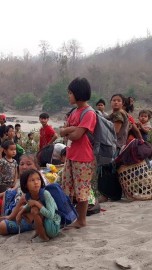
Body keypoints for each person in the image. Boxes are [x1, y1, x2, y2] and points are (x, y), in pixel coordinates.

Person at [59, 77, 97, 229]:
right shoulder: (75, 112)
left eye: (70, 93)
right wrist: (70, 130)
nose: (68, 96)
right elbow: (62, 131)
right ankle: (71, 217)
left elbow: (75, 136)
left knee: (82, 190)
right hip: (71, 155)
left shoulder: (89, 113)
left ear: (78, 93)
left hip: (83, 157)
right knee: (67, 186)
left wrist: (69, 130)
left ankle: (81, 220)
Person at [99, 94, 128, 203]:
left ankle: (106, 195)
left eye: (119, 100)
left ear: (122, 103)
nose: (116, 102)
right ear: (110, 102)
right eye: (114, 100)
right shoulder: (114, 114)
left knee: (107, 169)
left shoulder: (119, 114)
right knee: (111, 170)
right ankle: (114, 194)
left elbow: (115, 131)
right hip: (116, 145)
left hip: (114, 145)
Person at [16, 169, 60, 242]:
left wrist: (37, 204)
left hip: (52, 226)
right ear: (25, 185)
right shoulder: (29, 196)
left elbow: (51, 215)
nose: (36, 182)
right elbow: (27, 205)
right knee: (22, 209)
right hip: (46, 222)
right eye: (32, 180)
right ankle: (38, 231)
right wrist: (19, 214)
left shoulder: (45, 194)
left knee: (34, 210)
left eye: (38, 179)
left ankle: (43, 236)